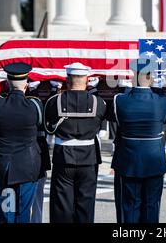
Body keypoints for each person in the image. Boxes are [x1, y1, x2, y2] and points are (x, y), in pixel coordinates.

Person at [108, 59, 166, 223]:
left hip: (128, 161)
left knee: (128, 207)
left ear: (132, 76)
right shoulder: (162, 101)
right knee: (151, 207)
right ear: (150, 77)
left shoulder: (119, 100)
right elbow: (165, 119)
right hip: (154, 160)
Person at [44, 62, 107, 223]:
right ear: (87, 80)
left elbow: (47, 124)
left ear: (67, 80)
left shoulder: (54, 102)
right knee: (85, 205)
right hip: (88, 159)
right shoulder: (98, 103)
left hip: (63, 158)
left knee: (61, 206)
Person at [0, 62, 43, 223]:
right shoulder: (35, 105)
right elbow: (40, 122)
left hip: (2, 165)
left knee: (6, 213)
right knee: (22, 213)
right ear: (26, 84)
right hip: (27, 166)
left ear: (8, 82)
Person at [26, 80, 54, 223]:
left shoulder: (40, 101)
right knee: (35, 193)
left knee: (38, 191)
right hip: (34, 147)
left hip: (38, 147)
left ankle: (36, 221)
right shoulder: (31, 101)